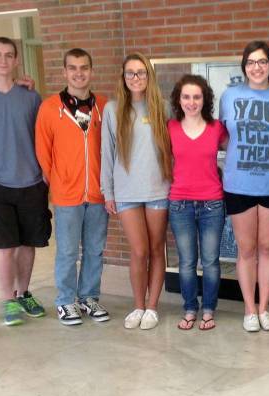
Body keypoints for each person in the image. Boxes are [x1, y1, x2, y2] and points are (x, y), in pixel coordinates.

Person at [0, 37, 49, 327]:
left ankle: (23, 292)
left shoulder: (31, 97)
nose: (3, 60)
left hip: (32, 183)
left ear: (16, 61)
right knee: (5, 247)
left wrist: (44, 177)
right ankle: (8, 301)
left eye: (8, 55)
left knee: (29, 245)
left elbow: (41, 139)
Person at [219, 41, 269, 332]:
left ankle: (264, 308)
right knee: (247, 249)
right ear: (244, 66)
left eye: (262, 62)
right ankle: (249, 310)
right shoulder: (229, 97)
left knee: (268, 247)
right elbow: (224, 137)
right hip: (239, 183)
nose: (257, 67)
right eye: (251, 62)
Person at [35, 48, 110, 326]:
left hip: (98, 194)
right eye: (73, 68)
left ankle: (88, 297)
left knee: (94, 249)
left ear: (91, 71)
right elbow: (43, 152)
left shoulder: (104, 105)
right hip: (67, 194)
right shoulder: (49, 108)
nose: (79, 73)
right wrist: (59, 181)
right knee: (67, 251)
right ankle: (66, 301)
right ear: (65, 72)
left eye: (84, 67)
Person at [101, 53, 172, 331]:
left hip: (157, 190)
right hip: (127, 192)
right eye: (130, 73)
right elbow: (106, 153)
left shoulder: (162, 108)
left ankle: (152, 307)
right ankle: (138, 305)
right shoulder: (112, 109)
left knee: (156, 249)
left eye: (141, 72)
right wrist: (108, 192)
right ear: (123, 77)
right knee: (139, 250)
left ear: (149, 76)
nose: (136, 78)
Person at [168, 75, 228, 331]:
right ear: (178, 100)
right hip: (179, 203)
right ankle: (190, 308)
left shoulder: (217, 128)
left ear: (205, 99)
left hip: (212, 203)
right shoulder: (169, 127)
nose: (191, 102)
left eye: (197, 97)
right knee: (187, 261)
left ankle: (209, 309)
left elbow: (234, 153)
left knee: (211, 261)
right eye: (186, 97)